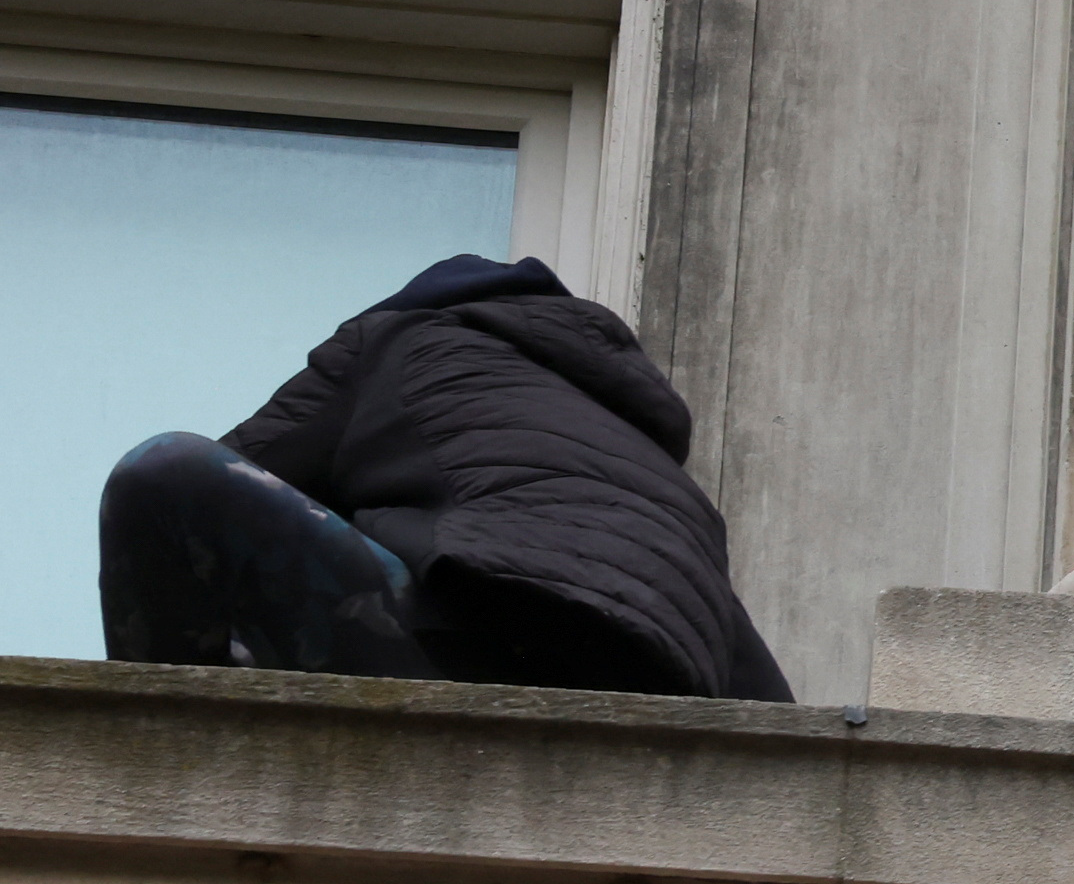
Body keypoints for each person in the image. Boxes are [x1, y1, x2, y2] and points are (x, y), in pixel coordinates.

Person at [99, 253, 792, 701]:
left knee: (162, 476)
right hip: (636, 711)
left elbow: (221, 499)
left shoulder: (396, 342)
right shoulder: (661, 481)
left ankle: (140, 765)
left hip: (463, 660)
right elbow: (761, 693)